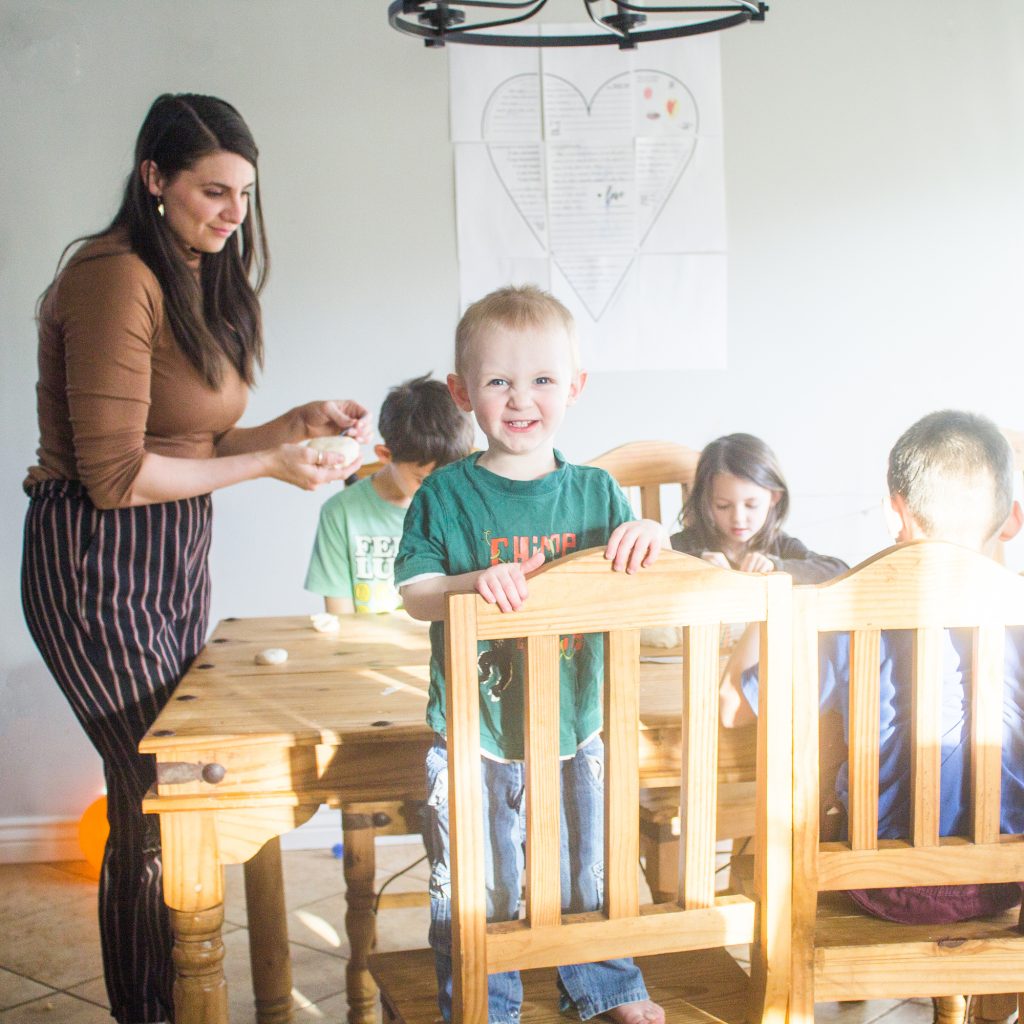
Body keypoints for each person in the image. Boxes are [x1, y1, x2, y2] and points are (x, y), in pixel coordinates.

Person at [20, 93, 370, 1024]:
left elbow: (188, 442)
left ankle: (160, 1006)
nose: (234, 213)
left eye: (244, 194)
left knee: (155, 799)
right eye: (214, 191)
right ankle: (156, 1011)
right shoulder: (112, 278)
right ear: (154, 178)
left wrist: (285, 428)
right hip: (97, 563)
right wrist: (269, 465)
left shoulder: (187, 273)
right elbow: (113, 477)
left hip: (168, 555)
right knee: (159, 797)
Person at [394, 285, 667, 1024]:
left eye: (543, 378)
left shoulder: (598, 493)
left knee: (589, 868)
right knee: (480, 884)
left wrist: (653, 536)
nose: (521, 398)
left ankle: (607, 986)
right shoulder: (445, 496)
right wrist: (470, 584)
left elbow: (650, 574)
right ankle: (486, 1003)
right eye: (498, 381)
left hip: (576, 725)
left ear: (574, 387)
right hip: (476, 733)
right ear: (462, 393)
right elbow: (415, 593)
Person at [724, 410, 1024, 924]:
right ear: (1013, 520)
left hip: (879, 883)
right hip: (1003, 882)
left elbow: (732, 708)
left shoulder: (845, 614)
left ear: (895, 514)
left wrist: (762, 596)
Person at [305, 374, 474, 614]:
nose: (438, 494)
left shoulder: (464, 509)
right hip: (364, 639)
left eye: (448, 480)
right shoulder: (340, 513)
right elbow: (340, 618)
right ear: (385, 455)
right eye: (424, 480)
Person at [670, 432, 848, 582]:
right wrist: (694, 563)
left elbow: (840, 571)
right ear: (706, 501)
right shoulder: (685, 544)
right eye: (723, 506)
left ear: (774, 497)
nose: (738, 518)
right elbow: (656, 567)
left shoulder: (780, 545)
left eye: (751, 505)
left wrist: (777, 567)